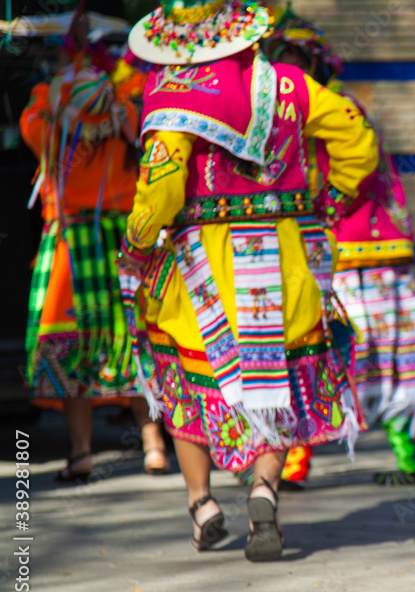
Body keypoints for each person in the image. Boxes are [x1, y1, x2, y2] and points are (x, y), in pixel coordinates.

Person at [118, 0, 378, 561]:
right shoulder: (291, 85)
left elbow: (162, 187)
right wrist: (330, 201)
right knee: (273, 383)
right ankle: (263, 489)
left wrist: (138, 243)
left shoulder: (171, 93)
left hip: (203, 266)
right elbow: (359, 141)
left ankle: (202, 503)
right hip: (283, 259)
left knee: (187, 384)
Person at [263, 10, 415, 489]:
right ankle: (296, 460)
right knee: (323, 351)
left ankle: (410, 453)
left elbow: (354, 168)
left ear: (314, 68)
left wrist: (324, 208)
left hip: (355, 252)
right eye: (280, 67)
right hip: (339, 251)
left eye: (294, 65)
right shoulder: (303, 115)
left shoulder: (332, 110)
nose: (288, 77)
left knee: (375, 351)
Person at [20, 12, 168, 482]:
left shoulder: (51, 103)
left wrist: (47, 92)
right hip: (125, 239)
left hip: (73, 242)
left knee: (70, 344)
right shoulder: (131, 102)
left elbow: (31, 132)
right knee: (135, 338)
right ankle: (153, 446)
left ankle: (81, 453)